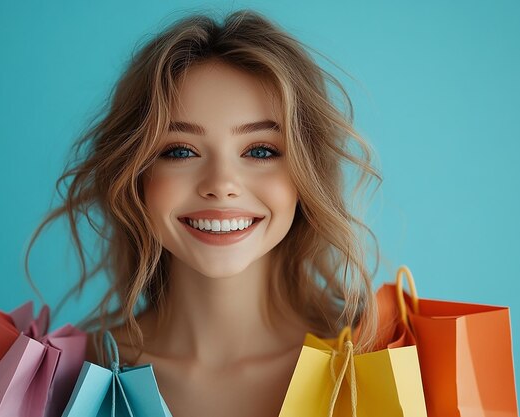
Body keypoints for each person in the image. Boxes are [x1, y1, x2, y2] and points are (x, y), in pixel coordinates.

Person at [25, 8, 382, 417]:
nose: (221, 183)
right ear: (135, 175)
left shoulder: (392, 360)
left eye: (260, 150)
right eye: (180, 151)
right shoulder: (53, 382)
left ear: (307, 174)